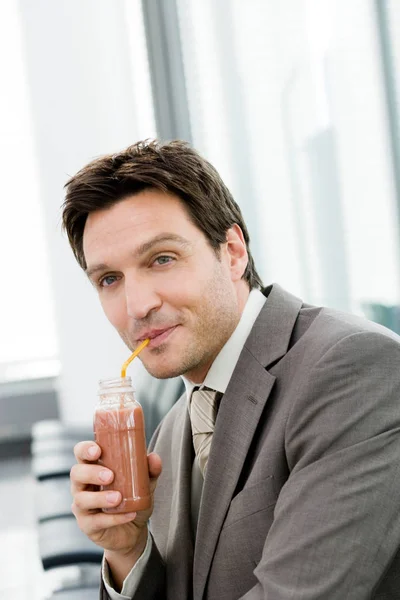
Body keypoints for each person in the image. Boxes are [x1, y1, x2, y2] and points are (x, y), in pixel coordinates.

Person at [63, 140, 400, 600]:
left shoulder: (353, 369)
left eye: (162, 259)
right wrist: (128, 551)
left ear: (233, 251)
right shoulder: (173, 429)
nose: (137, 305)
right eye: (109, 280)